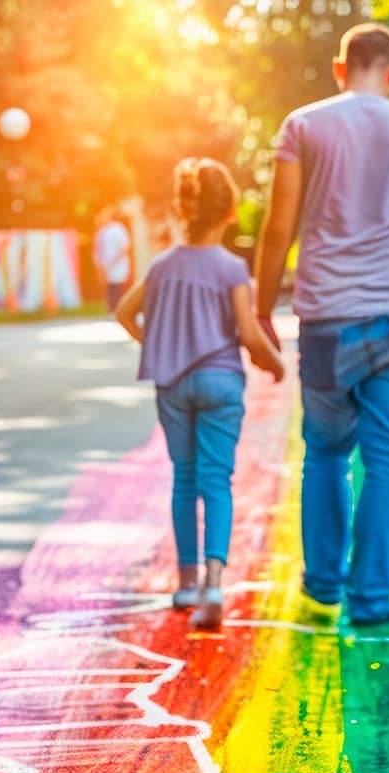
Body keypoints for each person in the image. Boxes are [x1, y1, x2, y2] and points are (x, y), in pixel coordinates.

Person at [254, 23, 389, 627]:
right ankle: (371, 597)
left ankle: (322, 587)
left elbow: (276, 228)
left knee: (325, 456)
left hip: (325, 322)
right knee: (388, 461)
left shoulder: (303, 125)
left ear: (341, 68)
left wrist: (261, 309)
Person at [115, 158, 284, 628]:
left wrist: (159, 345)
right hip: (220, 382)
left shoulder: (162, 266)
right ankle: (214, 584)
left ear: (184, 210)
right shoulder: (231, 269)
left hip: (173, 385)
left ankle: (185, 582)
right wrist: (276, 362)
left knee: (184, 479)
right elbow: (249, 335)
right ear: (229, 211)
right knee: (217, 481)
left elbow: (126, 313)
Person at [93, 206, 132, 312]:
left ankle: (117, 311)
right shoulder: (102, 232)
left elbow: (125, 247)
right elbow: (98, 251)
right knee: (110, 290)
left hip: (117, 265)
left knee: (117, 289)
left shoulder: (118, 229)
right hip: (107, 267)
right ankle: (112, 311)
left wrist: (114, 261)